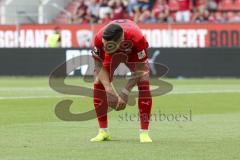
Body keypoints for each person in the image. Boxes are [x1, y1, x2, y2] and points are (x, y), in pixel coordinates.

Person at [91, 19, 152, 143]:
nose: (105, 47)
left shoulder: (137, 38)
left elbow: (140, 70)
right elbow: (98, 65)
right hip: (112, 56)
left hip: (132, 54)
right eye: (104, 44)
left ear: (121, 41)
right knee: (98, 81)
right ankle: (103, 131)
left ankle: (144, 133)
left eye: (110, 46)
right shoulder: (99, 37)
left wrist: (124, 93)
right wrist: (109, 90)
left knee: (144, 81)